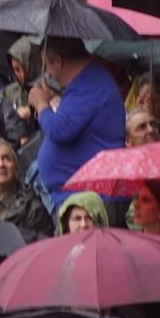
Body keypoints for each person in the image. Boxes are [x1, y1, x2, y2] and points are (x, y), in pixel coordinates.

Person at [31, 37, 125, 210]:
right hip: (78, 197)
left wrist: (41, 104)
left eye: (47, 65)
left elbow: (59, 130)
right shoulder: (84, 83)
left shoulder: (90, 83)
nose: (48, 74)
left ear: (58, 61)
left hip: (93, 200)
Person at [0, 138, 54, 242]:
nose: (0, 164)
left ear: (16, 170)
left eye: (6, 158)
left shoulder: (32, 208)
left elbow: (41, 249)